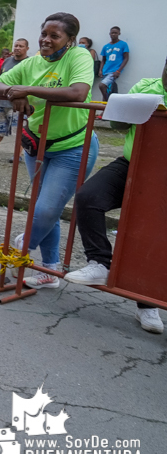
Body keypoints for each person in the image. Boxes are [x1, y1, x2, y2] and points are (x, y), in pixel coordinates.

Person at [0, 12, 99, 288]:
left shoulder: (79, 56)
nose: (46, 40)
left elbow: (78, 93)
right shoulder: (33, 62)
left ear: (70, 40)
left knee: (47, 209)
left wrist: (25, 89)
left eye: (54, 36)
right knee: (45, 209)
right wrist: (16, 91)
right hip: (36, 145)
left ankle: (22, 247)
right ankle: (49, 270)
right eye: (44, 34)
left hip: (73, 146)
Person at [63, 60, 165, 333]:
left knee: (149, 235)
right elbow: (120, 125)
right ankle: (99, 262)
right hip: (135, 162)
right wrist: (121, 110)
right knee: (88, 198)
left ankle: (149, 303)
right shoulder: (148, 87)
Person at [0, 38, 29, 160]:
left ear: (27, 49)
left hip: (17, 103)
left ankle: (17, 155)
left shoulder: (29, 63)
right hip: (2, 101)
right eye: (16, 45)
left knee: (19, 130)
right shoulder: (7, 61)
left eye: (21, 46)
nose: (17, 48)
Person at [98, 26, 129, 100]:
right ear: (109, 33)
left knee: (102, 86)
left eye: (115, 33)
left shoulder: (123, 44)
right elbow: (103, 60)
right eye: (112, 33)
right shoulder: (106, 46)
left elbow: (126, 58)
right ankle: (106, 106)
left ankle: (106, 100)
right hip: (105, 71)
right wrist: (100, 70)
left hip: (114, 71)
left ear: (119, 33)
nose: (113, 34)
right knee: (108, 90)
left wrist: (118, 71)